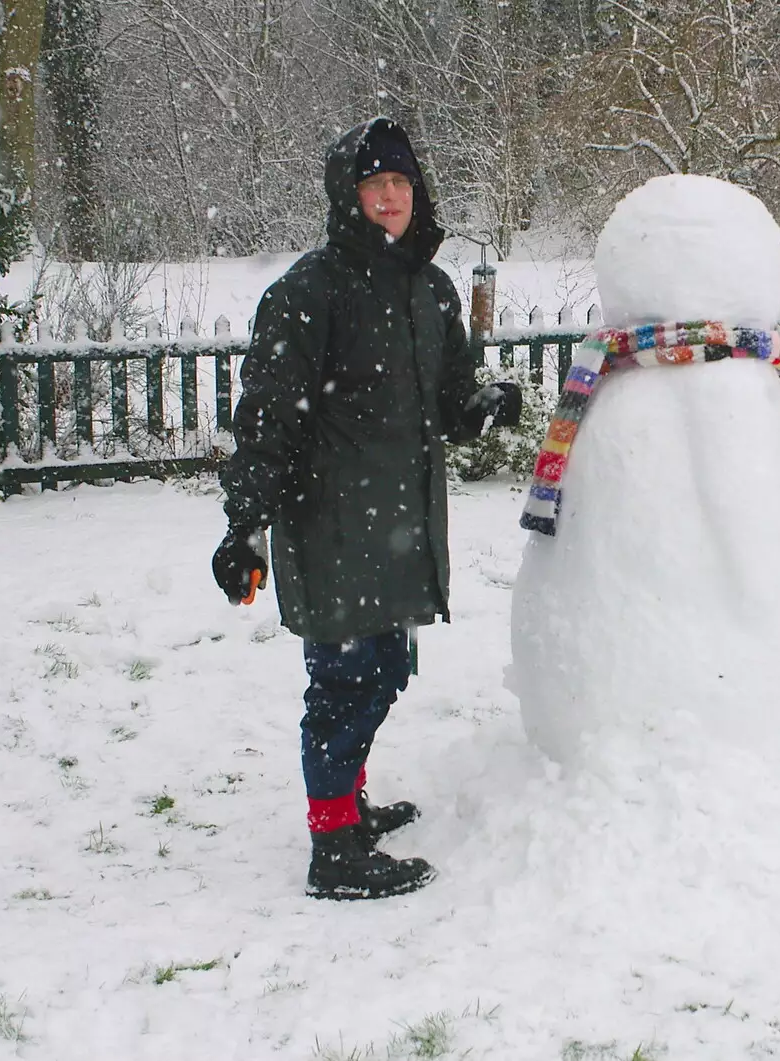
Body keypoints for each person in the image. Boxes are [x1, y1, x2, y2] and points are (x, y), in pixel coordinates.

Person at [209, 117, 519, 901]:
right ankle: (333, 849)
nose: (390, 197)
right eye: (376, 184)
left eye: (402, 183)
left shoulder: (430, 289)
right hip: (332, 521)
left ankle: (347, 807)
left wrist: (482, 406)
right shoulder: (310, 292)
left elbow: (448, 399)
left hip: (399, 523)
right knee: (347, 680)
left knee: (379, 670)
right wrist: (243, 524)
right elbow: (267, 414)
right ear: (349, 196)